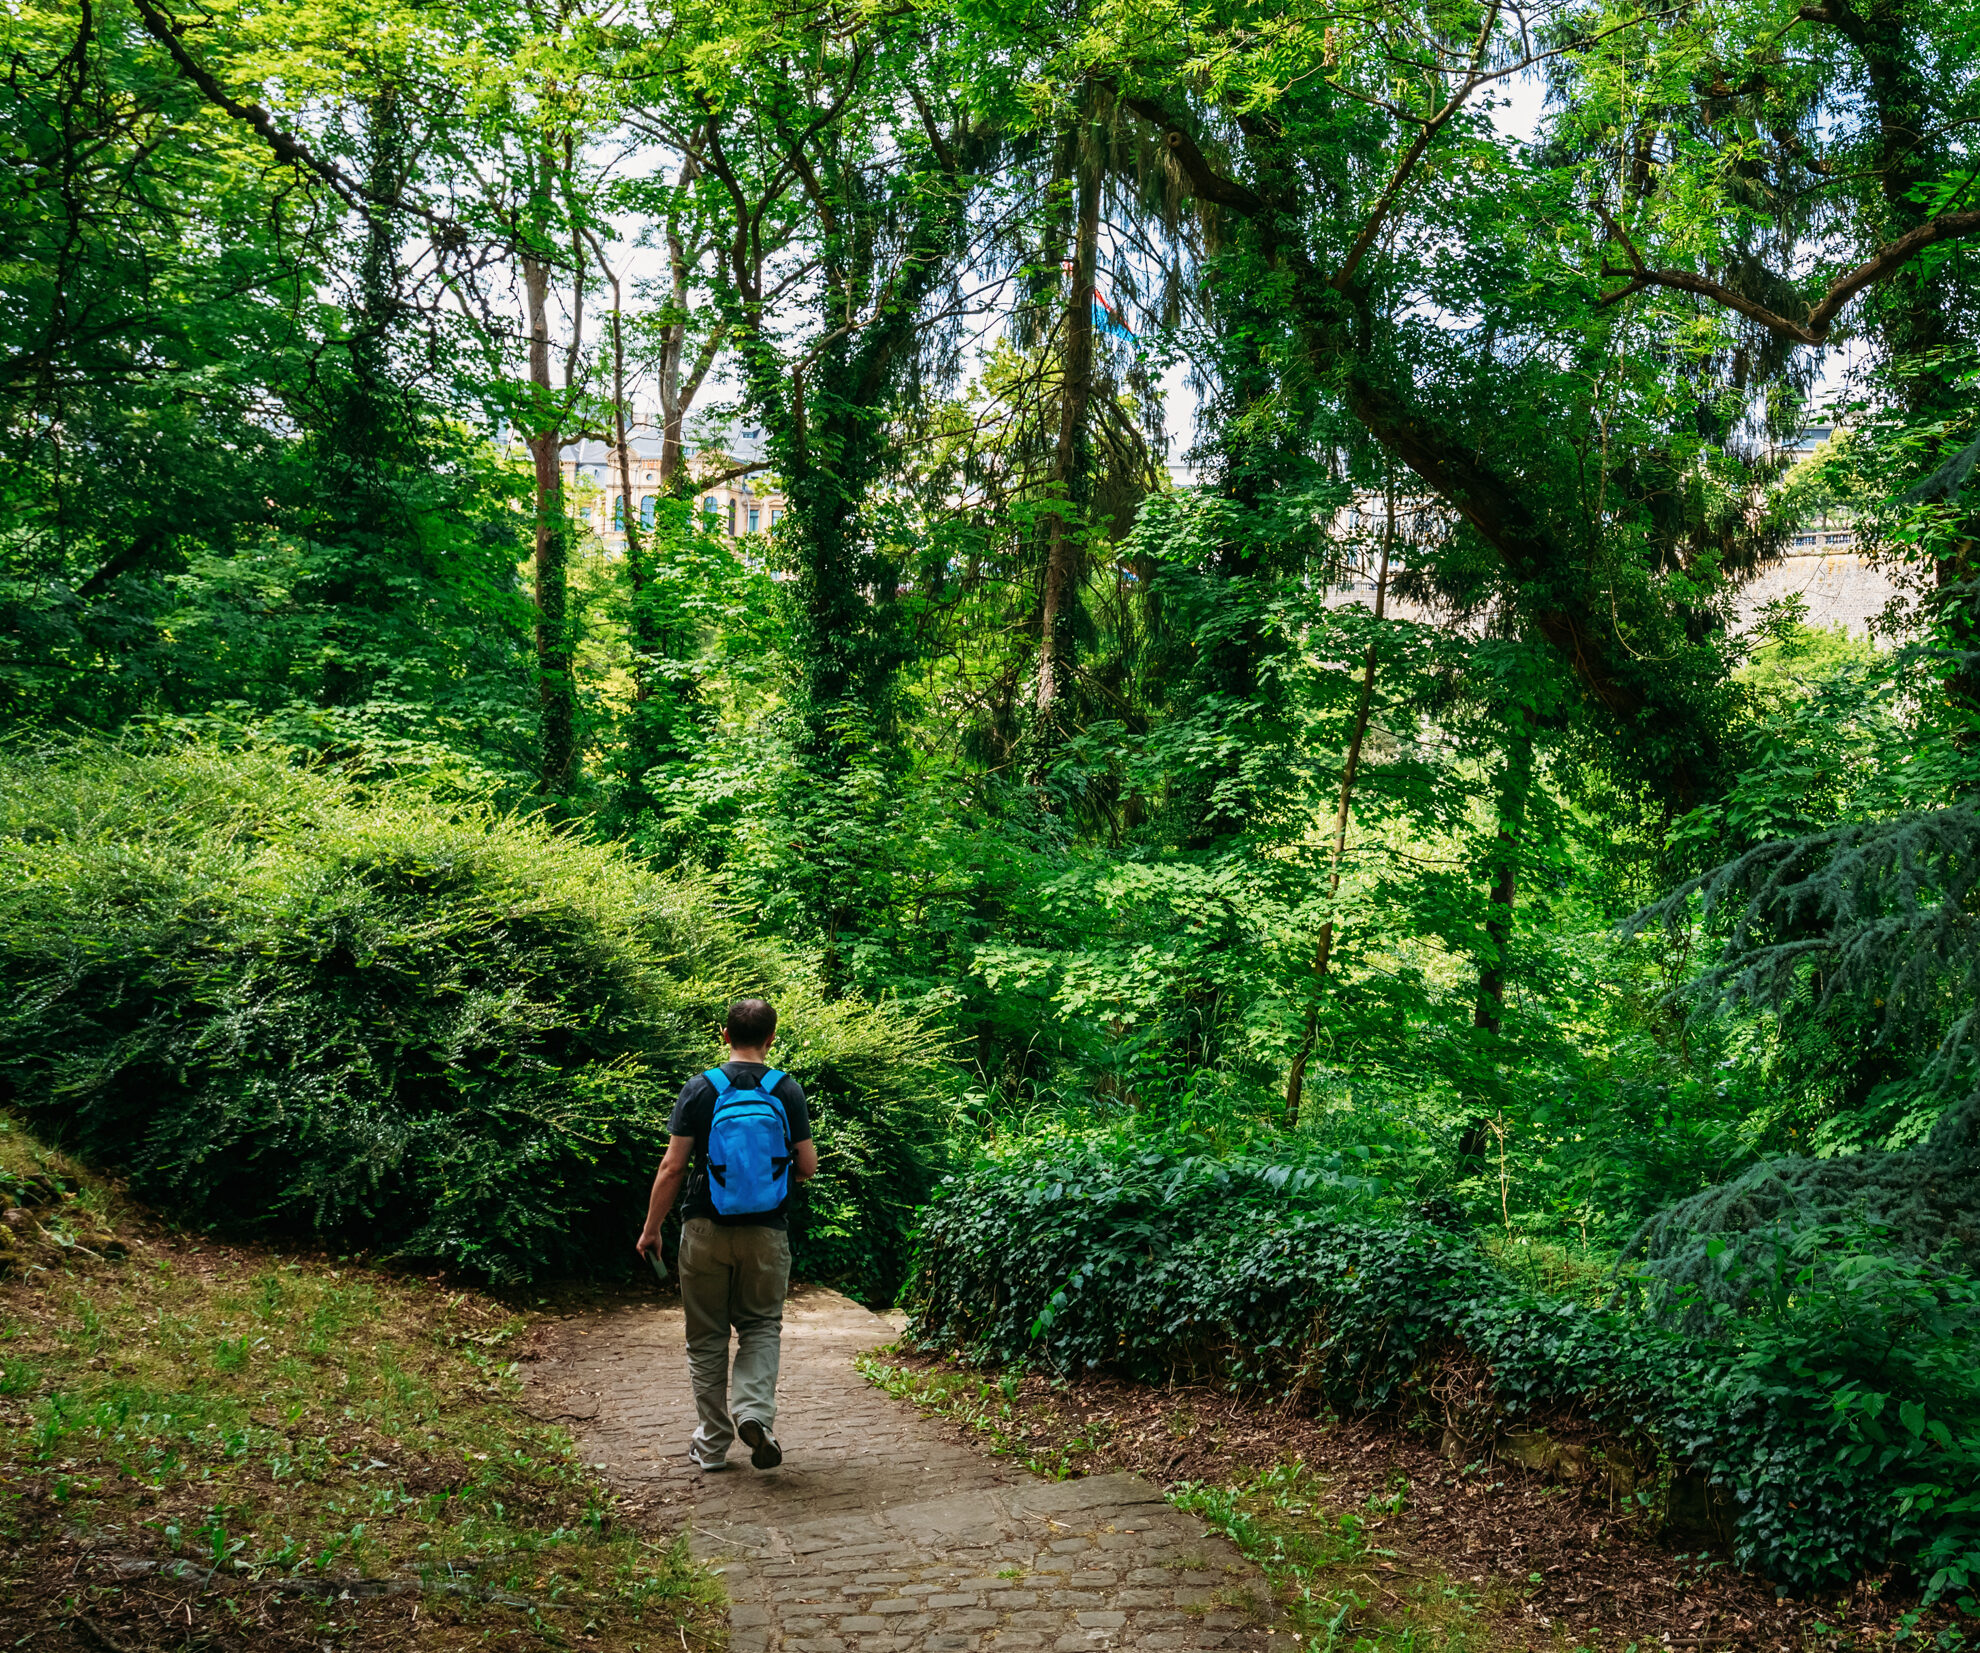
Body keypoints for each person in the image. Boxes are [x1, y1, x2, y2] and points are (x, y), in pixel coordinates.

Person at [636, 998, 817, 1471]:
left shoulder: (701, 1088)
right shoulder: (786, 1089)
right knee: (760, 1325)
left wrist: (652, 1228)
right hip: (766, 1231)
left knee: (707, 1337)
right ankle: (754, 1414)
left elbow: (672, 1167)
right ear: (771, 1038)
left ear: (724, 1035)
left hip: (704, 1227)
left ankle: (712, 1445)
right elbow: (808, 1166)